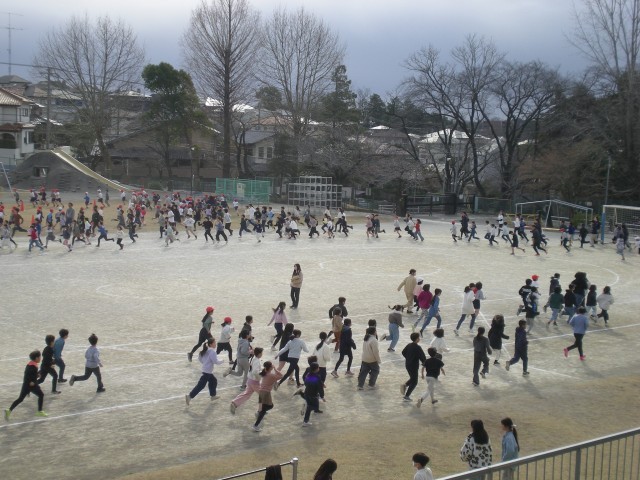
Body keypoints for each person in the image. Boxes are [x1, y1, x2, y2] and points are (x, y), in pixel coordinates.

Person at [5, 350, 48, 420]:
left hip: (26, 385)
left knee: (20, 399)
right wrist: (32, 381)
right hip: (30, 385)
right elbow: (29, 376)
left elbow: (29, 375)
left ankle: (9, 410)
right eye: (40, 357)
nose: (40, 358)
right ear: (36, 358)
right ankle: (39, 411)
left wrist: (37, 375)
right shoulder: (33, 366)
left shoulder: (30, 364)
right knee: (41, 395)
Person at [185, 337, 224, 405]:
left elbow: (200, 358)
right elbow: (216, 361)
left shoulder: (206, 350)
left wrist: (205, 363)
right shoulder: (212, 351)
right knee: (201, 385)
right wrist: (222, 360)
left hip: (206, 371)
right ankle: (189, 396)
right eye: (214, 343)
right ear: (211, 344)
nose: (215, 344)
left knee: (213, 381)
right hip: (207, 372)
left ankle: (213, 395)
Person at [230, 347, 263, 414]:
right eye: (261, 353)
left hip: (250, 380)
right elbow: (255, 372)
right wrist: (261, 374)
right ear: (259, 354)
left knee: (246, 394)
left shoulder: (252, 358)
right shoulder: (257, 361)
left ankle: (235, 403)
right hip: (255, 382)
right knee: (263, 395)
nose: (262, 354)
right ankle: (261, 410)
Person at [253, 361, 283, 432]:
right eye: (272, 365)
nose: (273, 365)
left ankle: (259, 412)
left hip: (262, 392)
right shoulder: (271, 375)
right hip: (265, 393)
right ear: (270, 367)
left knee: (269, 406)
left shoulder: (265, 373)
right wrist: (275, 369)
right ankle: (256, 425)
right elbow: (281, 376)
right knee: (267, 407)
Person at [401, 332, 427, 401]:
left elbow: (403, 352)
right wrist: (425, 364)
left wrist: (408, 358)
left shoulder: (409, 345)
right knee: (415, 382)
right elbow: (423, 358)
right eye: (419, 337)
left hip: (407, 364)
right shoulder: (418, 347)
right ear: (417, 339)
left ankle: (405, 385)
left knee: (412, 378)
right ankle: (406, 396)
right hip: (414, 366)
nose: (419, 339)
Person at [301, 362, 324, 427]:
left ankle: (305, 421)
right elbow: (320, 387)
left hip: (307, 393)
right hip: (313, 395)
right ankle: (306, 409)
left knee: (311, 406)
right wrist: (322, 396)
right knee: (314, 407)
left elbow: (306, 383)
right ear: (316, 369)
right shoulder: (317, 377)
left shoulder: (308, 375)